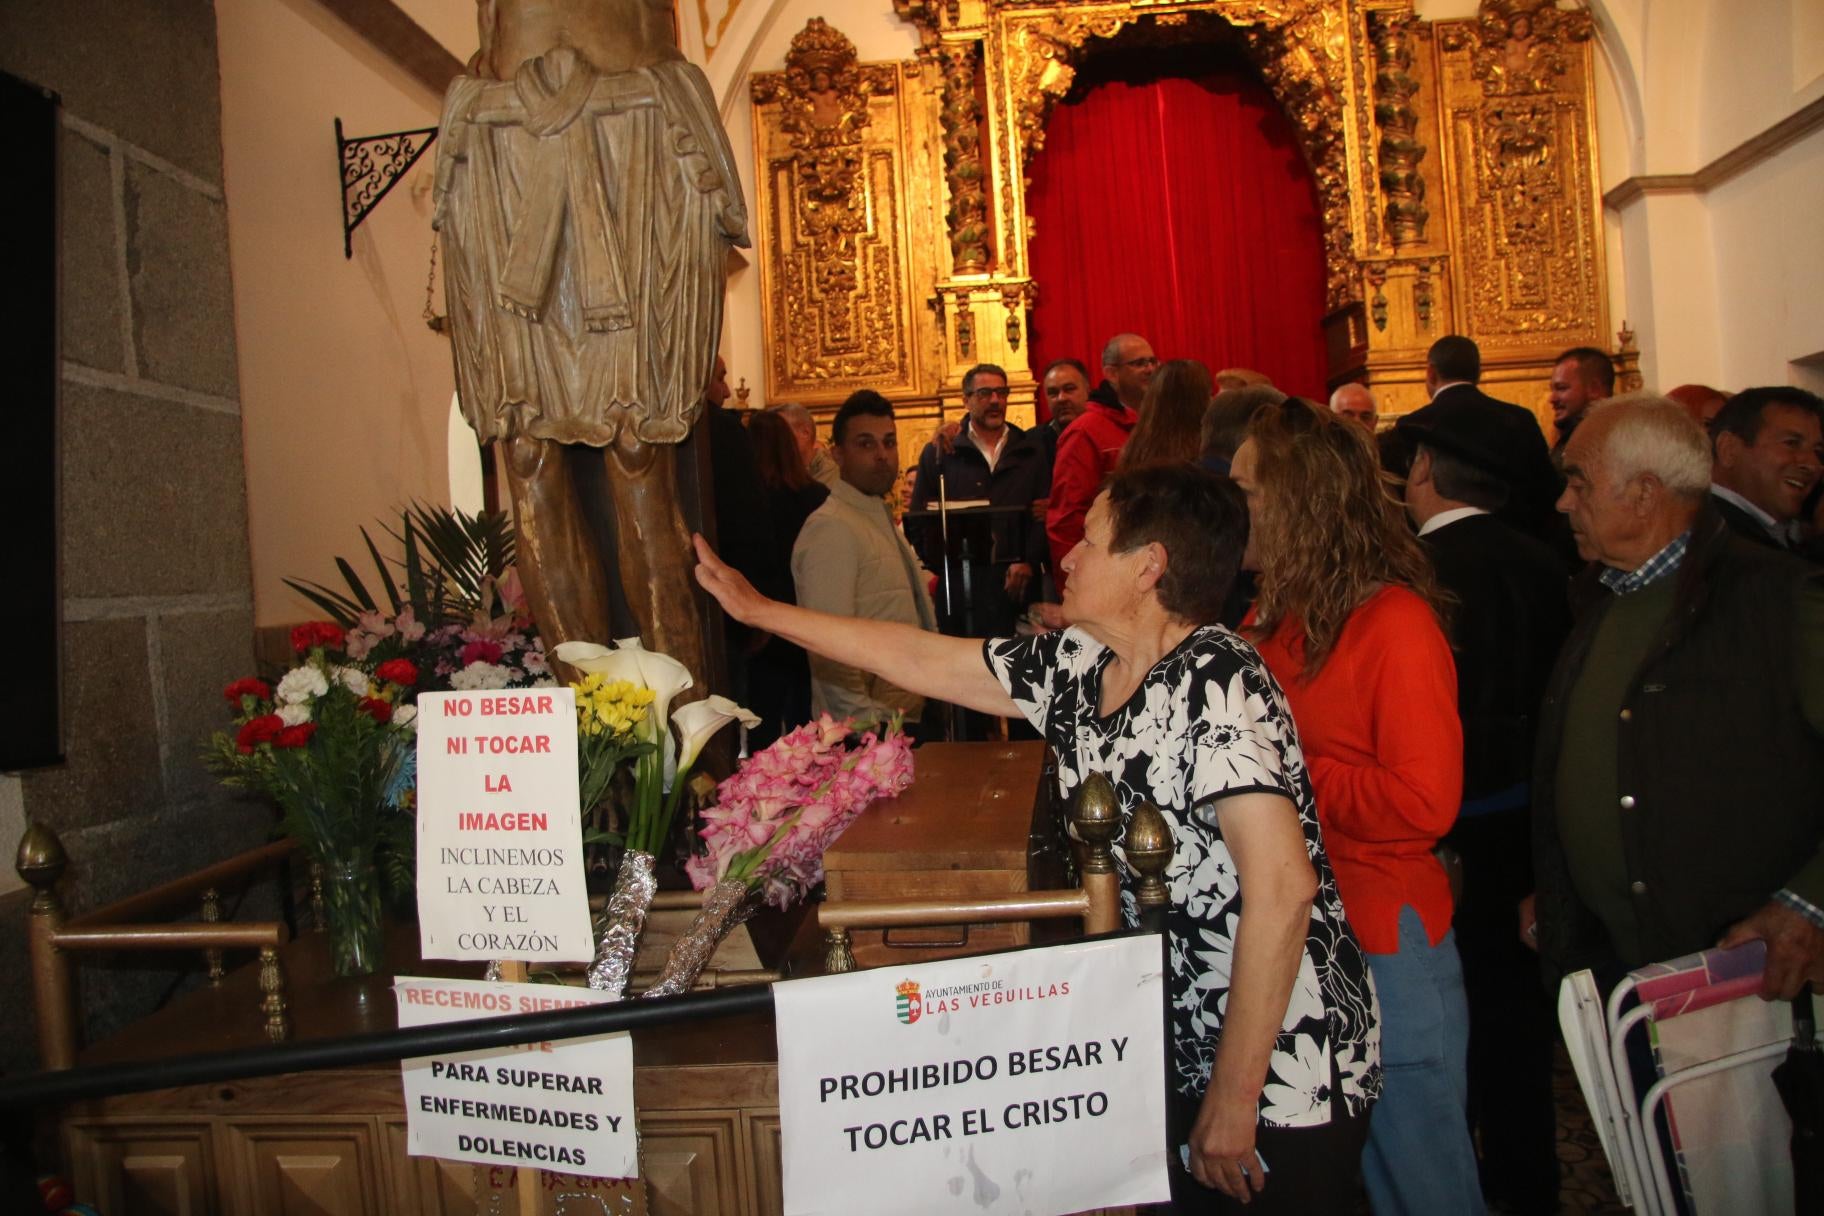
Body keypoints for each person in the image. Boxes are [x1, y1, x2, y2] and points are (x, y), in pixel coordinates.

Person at [694, 462, 1380, 1214]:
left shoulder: (1216, 674)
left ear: (1151, 566)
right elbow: (923, 658)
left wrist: (1234, 1096)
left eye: (1091, 541)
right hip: (1178, 1045)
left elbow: (1284, 888)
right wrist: (763, 612)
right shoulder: (1081, 664)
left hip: (1283, 1059)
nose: (1070, 557)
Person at [1231, 397, 1482, 1216]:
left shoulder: (1394, 622)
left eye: (1249, 494)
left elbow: (1424, 803)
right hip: (1305, 948)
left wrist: (1287, 774)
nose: (1236, 512)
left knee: (1422, 1186)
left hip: (1385, 945)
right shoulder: (1272, 620)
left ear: (1298, 502)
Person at [1528, 394, 1824, 1001]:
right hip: (1625, 962)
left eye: (1578, 483)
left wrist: (1808, 905)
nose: (1563, 503)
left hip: (1746, 970)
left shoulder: (1780, 598)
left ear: (1642, 493)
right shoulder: (1602, 597)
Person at [1396, 397, 1570, 1215]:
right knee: (1517, 1035)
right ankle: (1527, 1189)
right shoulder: (1545, 562)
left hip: (1436, 836)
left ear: (1425, 470)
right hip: (1527, 830)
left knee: (1438, 1039)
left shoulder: (1410, 578)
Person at [790, 390, 937, 730]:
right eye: (866, 444)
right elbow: (828, 646)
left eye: (889, 442)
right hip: (869, 731)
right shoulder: (831, 526)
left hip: (900, 716)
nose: (883, 455)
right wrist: (870, 725)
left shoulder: (874, 515)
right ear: (838, 454)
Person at [907, 363, 1049, 642]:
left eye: (1001, 392)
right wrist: (945, 568)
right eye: (984, 393)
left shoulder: (1030, 450)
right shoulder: (941, 452)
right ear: (966, 399)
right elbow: (919, 519)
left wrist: (1029, 561)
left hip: (1019, 592)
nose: (995, 400)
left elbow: (1046, 513)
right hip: (962, 593)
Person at [1426, 335, 1571, 566]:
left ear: (1431, 373)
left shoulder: (1417, 425)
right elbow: (1546, 495)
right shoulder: (1520, 420)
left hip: (1441, 561)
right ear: (1478, 373)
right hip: (1520, 560)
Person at [744, 408, 830, 748]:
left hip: (762, 616)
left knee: (762, 721)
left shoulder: (749, 501)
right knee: (804, 718)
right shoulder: (817, 496)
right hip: (807, 615)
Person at [1047, 333, 1155, 583]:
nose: (1150, 369)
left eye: (1152, 362)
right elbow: (1067, 518)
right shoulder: (1085, 431)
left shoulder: (1155, 423)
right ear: (1112, 373)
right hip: (1109, 574)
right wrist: (1074, 584)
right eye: (1139, 363)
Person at [1705, 385, 1824, 550]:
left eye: (1818, 451)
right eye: (1791, 443)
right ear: (1729, 449)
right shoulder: (1710, 534)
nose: (1813, 465)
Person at [1120, 359, 1213, 469]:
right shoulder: (1209, 452)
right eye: (1209, 393)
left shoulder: (1134, 448)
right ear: (1200, 400)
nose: (1212, 398)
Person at [1547, 346, 1615, 458]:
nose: (1552, 399)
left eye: (1561, 388)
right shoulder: (1570, 438)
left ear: (1594, 389)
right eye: (1552, 389)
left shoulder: (1615, 440)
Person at [769, 401, 839, 488]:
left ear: (805, 433)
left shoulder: (829, 469)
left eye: (781, 432)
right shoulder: (779, 468)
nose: (775, 439)